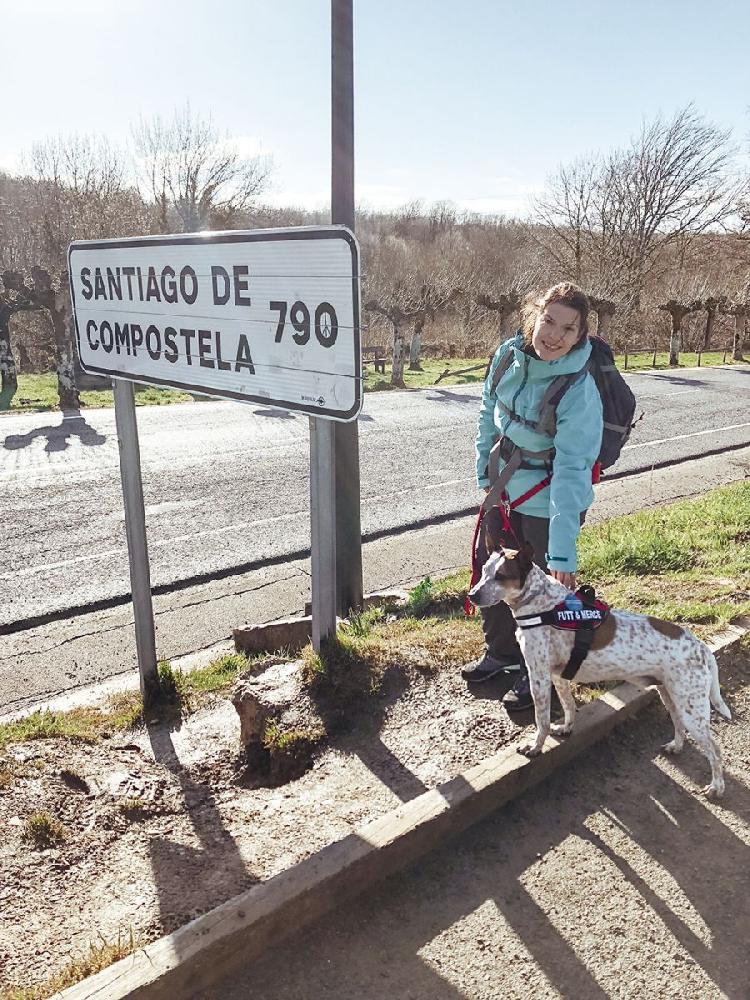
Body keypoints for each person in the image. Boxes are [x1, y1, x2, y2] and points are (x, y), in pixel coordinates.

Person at [462, 282, 604, 711]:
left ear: (581, 335)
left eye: (568, 328)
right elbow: (489, 411)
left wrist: (562, 556)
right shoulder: (508, 355)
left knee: (543, 599)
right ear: (534, 317)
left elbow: (572, 472)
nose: (555, 335)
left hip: (547, 506)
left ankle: (539, 673)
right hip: (502, 494)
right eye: (549, 320)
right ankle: (503, 655)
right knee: (491, 577)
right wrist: (484, 478)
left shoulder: (578, 390)